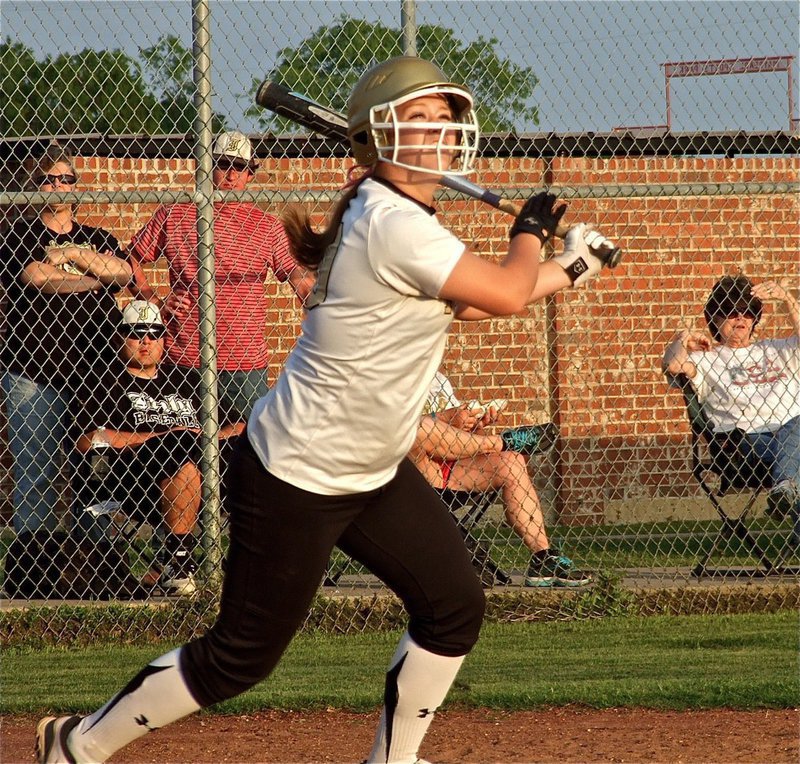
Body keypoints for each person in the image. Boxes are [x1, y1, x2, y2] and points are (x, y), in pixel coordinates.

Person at [36, 56, 618, 764]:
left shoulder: (403, 219)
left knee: (453, 607)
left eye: (445, 121)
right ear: (380, 136)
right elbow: (499, 291)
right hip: (296, 473)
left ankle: (392, 760)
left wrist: (574, 265)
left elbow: (469, 298)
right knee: (239, 658)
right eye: (419, 121)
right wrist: (530, 230)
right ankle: (79, 744)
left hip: (369, 469)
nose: (438, 134)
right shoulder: (392, 222)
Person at [0, 147, 131, 577]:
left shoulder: (98, 235)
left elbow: (124, 274)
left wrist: (72, 256)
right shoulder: (16, 234)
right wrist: (94, 278)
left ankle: (97, 569)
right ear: (37, 188)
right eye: (49, 180)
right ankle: (34, 571)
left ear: (77, 188)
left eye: (65, 180)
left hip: (93, 373)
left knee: (94, 472)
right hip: (33, 372)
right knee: (36, 473)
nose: (58, 187)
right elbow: (37, 279)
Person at [127, 130, 314, 419]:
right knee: (184, 446)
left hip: (244, 363)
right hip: (185, 358)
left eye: (240, 167)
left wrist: (320, 305)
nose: (231, 174)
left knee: (242, 448)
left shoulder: (266, 226)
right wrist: (154, 300)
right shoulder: (175, 214)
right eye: (223, 164)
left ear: (251, 174)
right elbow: (131, 258)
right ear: (208, 166)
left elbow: (297, 276)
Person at [70, 301, 245, 596]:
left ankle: (263, 560)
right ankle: (178, 565)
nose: (146, 340)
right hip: (139, 479)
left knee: (250, 448)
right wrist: (160, 437)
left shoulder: (188, 379)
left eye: (154, 333)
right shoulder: (103, 383)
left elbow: (238, 425)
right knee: (177, 446)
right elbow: (88, 439)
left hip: (208, 468)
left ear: (164, 339)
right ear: (119, 337)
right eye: (136, 333)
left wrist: (202, 437)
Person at [412, 372, 592, 587]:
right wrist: (443, 418)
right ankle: (503, 442)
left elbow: (457, 442)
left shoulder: (437, 380)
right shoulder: (382, 378)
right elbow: (393, 431)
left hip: (453, 471)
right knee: (419, 428)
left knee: (512, 461)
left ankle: (543, 558)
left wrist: (475, 424)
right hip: (412, 479)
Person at [662, 274, 799, 539]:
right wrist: (682, 338)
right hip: (744, 442)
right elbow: (674, 365)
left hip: (791, 430)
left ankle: (787, 487)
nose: (740, 318)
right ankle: (787, 487)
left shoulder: (776, 349)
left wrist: (787, 299)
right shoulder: (708, 359)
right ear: (714, 318)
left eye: (748, 312)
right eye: (730, 312)